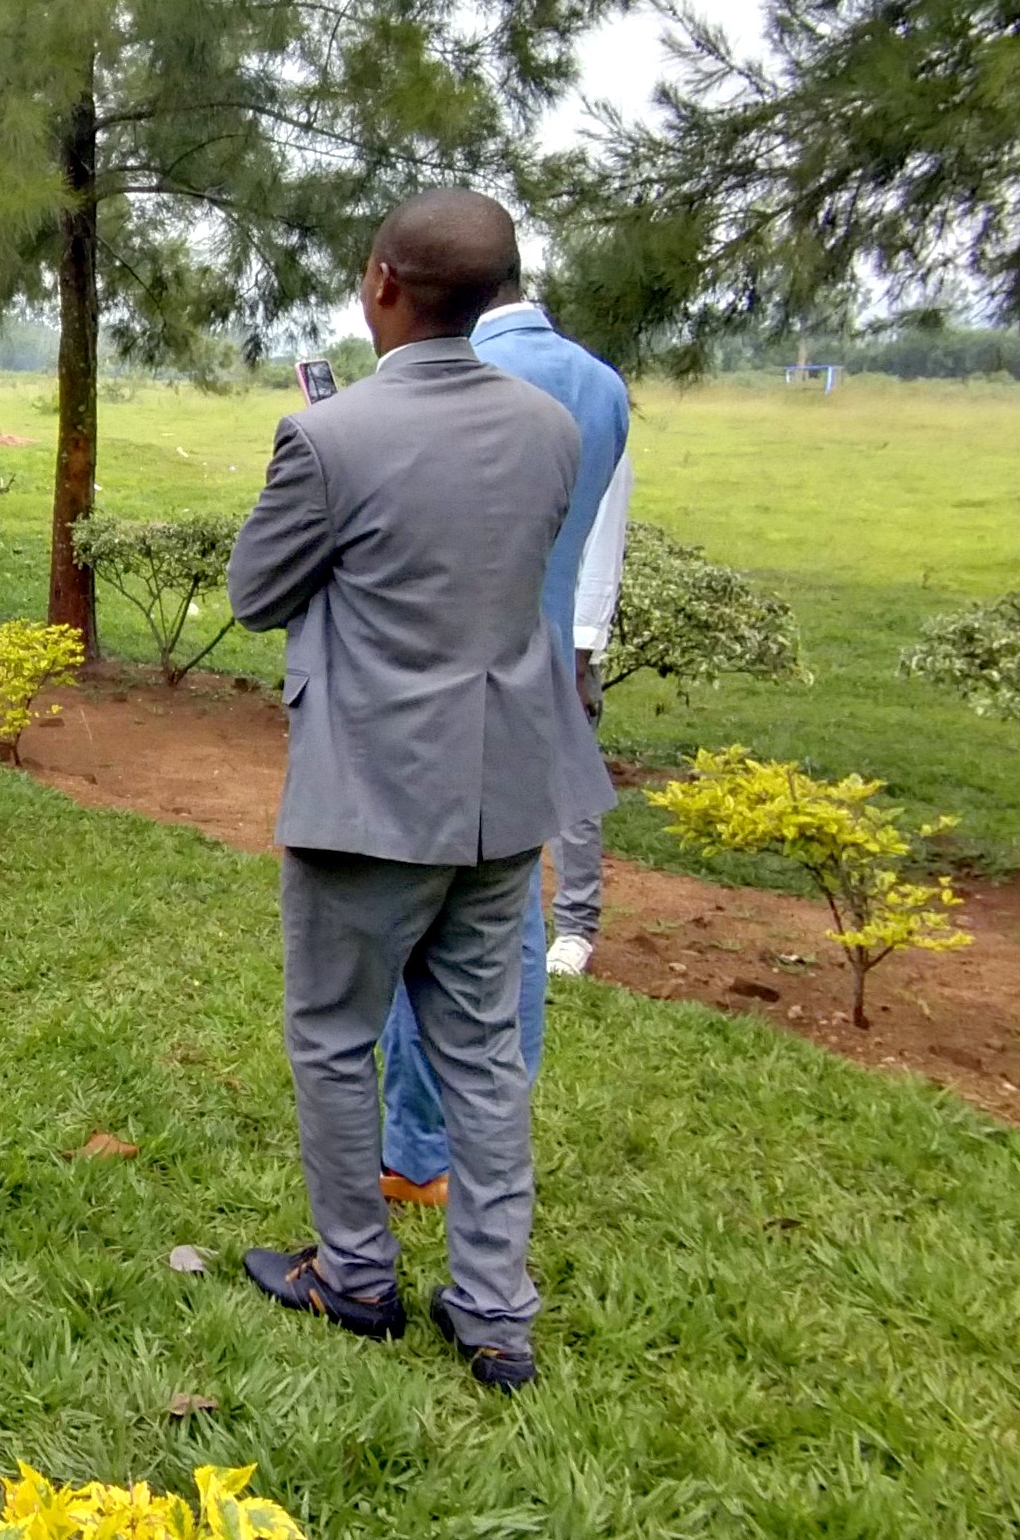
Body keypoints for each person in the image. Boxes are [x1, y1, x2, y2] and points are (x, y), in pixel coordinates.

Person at [225, 189, 613, 1395]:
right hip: (504, 791)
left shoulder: (330, 437)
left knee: (335, 1036)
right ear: (494, 293)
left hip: (373, 791)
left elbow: (257, 592)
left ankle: (356, 1272)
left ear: (382, 282)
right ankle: (495, 1310)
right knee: (483, 1055)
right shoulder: (553, 427)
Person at [374, 271, 631, 1204]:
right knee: (508, 917)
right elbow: (598, 542)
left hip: (440, 693)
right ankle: (488, 1135)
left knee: (422, 929)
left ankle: (420, 1148)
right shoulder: (601, 386)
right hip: (544, 673)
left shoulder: (449, 378)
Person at [547, 452, 632, 976]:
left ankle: (575, 927)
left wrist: (579, 656)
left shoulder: (599, 435)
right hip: (499, 633)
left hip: (563, 645)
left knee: (568, 786)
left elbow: (601, 552)